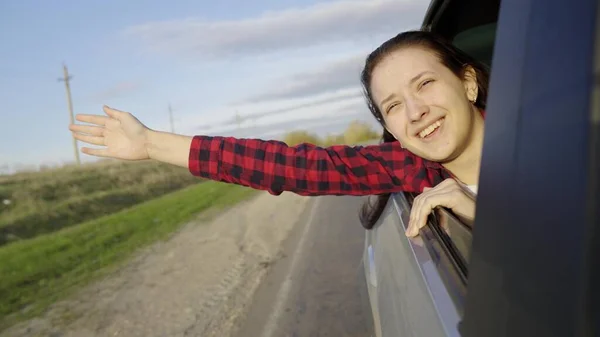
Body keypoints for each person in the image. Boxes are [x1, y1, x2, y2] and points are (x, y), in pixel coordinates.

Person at [68, 30, 488, 238]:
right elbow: (293, 167)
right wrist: (150, 144)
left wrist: (489, 214)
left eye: (425, 84)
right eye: (393, 106)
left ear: (467, 82)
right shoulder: (408, 166)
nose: (415, 112)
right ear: (389, 127)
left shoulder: (551, 145)